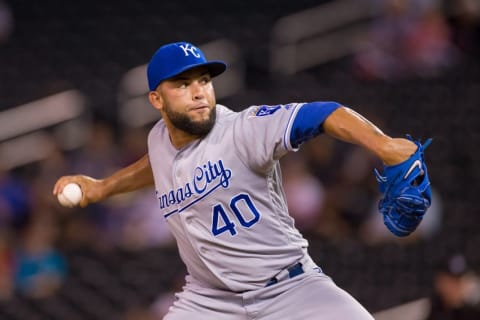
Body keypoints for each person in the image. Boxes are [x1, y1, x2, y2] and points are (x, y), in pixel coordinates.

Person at [53, 41, 421, 319]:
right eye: (182, 84)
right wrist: (101, 187)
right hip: (209, 301)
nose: (198, 91)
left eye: (203, 80)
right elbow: (154, 165)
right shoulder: (159, 139)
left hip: (289, 287)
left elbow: (324, 114)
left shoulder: (243, 129)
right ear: (156, 100)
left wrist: (384, 145)